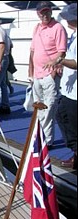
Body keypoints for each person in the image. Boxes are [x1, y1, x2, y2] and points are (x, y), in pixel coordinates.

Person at [28, 1, 67, 148]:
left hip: (49, 75)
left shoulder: (58, 28)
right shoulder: (36, 28)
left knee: (49, 109)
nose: (44, 15)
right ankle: (40, 137)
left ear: (51, 11)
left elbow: (61, 52)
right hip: (37, 75)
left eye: (47, 11)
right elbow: (32, 50)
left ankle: (46, 141)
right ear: (38, 13)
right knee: (39, 109)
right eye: (42, 12)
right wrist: (30, 71)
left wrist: (53, 70)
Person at [43, 3, 77, 169]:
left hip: (75, 92)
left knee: (71, 122)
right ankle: (75, 151)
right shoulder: (74, 36)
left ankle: (76, 154)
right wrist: (61, 66)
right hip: (69, 90)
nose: (66, 21)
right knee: (61, 115)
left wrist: (60, 61)